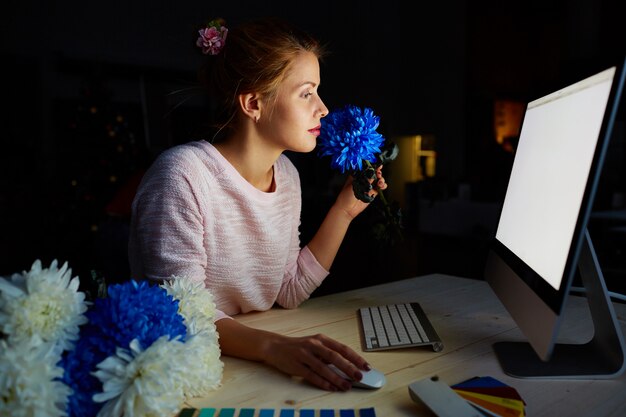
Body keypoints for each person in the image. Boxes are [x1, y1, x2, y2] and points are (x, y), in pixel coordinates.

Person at [127, 17, 387, 392]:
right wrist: (272, 347)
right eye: (306, 93)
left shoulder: (287, 176)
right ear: (253, 103)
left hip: (246, 366)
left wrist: (344, 212)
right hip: (181, 373)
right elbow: (178, 312)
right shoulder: (182, 176)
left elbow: (287, 290)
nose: (324, 108)